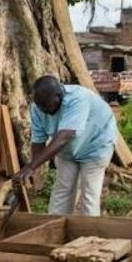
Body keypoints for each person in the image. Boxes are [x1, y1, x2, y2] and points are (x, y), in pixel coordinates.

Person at [12, 76, 117, 217]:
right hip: (68, 150)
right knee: (62, 189)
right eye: (40, 105)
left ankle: (91, 236)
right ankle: (54, 230)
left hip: (96, 145)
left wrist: (30, 167)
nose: (43, 110)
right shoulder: (37, 108)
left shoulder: (77, 99)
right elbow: (38, 140)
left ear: (59, 96)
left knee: (89, 193)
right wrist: (33, 168)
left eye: (46, 105)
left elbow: (64, 137)